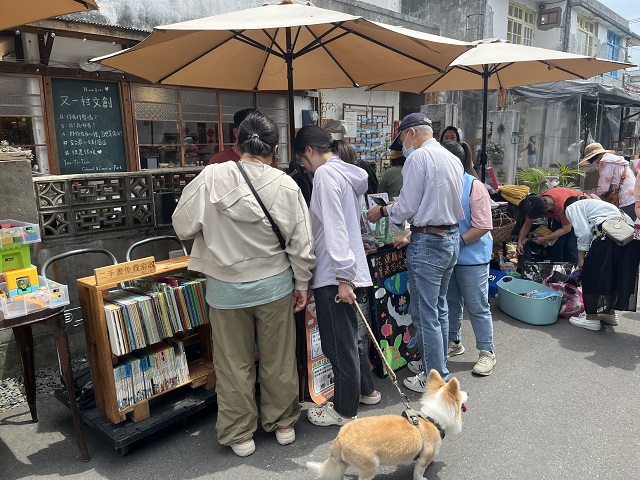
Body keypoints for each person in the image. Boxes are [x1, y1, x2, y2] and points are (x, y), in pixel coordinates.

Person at [172, 111, 315, 457]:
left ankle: (240, 434)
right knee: (278, 358)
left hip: (224, 286)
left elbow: (182, 225)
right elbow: (302, 245)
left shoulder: (209, 177)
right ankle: (282, 424)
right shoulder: (285, 185)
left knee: (232, 362)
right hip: (275, 286)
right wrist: (302, 284)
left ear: (237, 143)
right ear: (275, 147)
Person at [367, 113, 464, 392]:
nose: (404, 144)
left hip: (428, 241)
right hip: (450, 237)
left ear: (411, 133)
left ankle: (435, 379)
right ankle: (437, 366)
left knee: (424, 314)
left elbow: (407, 208)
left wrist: (384, 210)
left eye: (403, 138)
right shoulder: (451, 157)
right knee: (439, 309)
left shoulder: (418, 158)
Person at [294, 125, 381, 427]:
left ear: (309, 151)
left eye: (302, 161)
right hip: (345, 269)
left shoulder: (326, 175)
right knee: (349, 339)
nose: (304, 167)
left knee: (337, 344)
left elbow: (335, 226)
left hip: (335, 272)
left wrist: (344, 276)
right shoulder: (346, 173)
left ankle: (344, 410)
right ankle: (366, 391)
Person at [441, 141, 495, 375]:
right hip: (447, 256)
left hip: (472, 258)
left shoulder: (474, 186)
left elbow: (483, 225)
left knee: (477, 306)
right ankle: (454, 343)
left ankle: (487, 352)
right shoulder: (440, 184)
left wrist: (457, 241)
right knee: (451, 303)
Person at [564, 196, 639, 331]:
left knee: (591, 275)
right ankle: (609, 313)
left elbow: (584, 233)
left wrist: (581, 259)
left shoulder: (572, 207)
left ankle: (591, 318)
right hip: (630, 240)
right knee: (614, 275)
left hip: (607, 238)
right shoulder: (601, 205)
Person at [516, 187, 586, 263]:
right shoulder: (535, 202)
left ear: (546, 210)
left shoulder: (562, 207)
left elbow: (566, 229)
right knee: (555, 246)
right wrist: (520, 242)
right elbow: (526, 225)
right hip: (561, 218)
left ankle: (576, 271)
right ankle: (556, 270)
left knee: (571, 247)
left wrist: (545, 239)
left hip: (580, 216)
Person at [578, 142, 636, 219]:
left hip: (625, 198)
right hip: (633, 196)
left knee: (623, 225)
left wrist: (591, 197)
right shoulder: (615, 160)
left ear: (594, 158)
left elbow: (603, 188)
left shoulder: (605, 162)